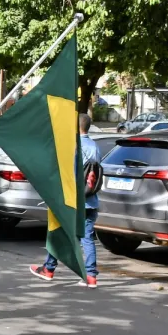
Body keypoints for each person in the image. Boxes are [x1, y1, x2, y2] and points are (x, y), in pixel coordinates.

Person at [31, 113, 102, 288]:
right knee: (87, 238)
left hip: (71, 201)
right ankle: (91, 276)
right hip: (90, 199)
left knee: (58, 232)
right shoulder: (95, 147)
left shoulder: (72, 146)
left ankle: (49, 269)